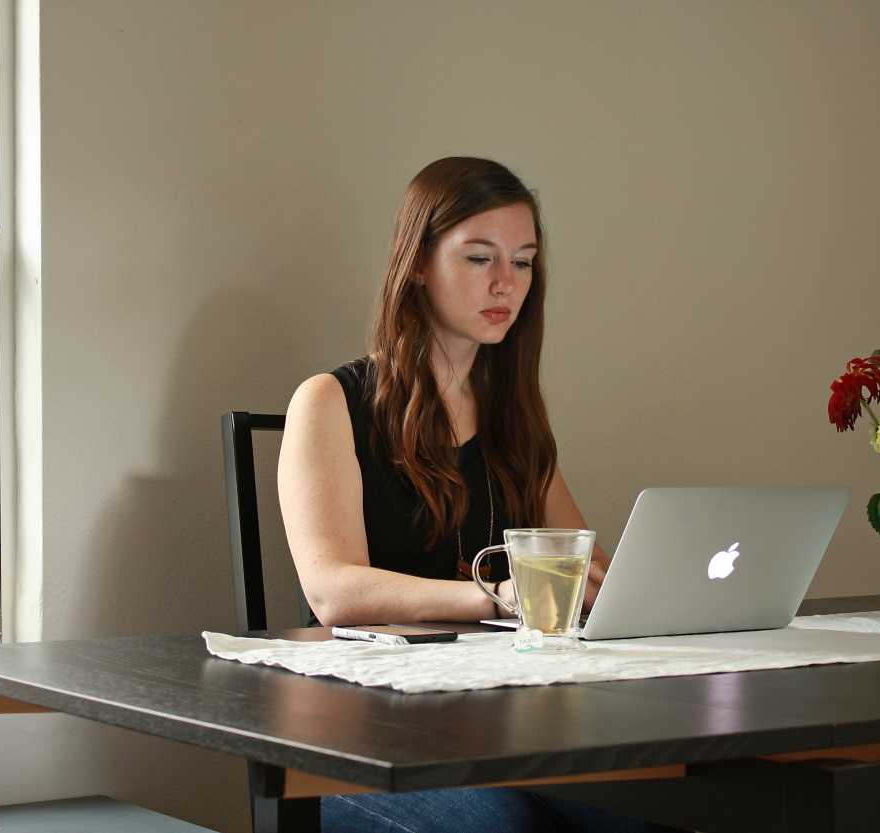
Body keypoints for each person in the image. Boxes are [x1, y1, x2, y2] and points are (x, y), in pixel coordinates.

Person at [277, 157, 679, 833]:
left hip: (500, 727)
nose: (506, 283)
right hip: (361, 742)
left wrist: (647, 591)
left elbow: (582, 565)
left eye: (523, 262)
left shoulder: (513, 417)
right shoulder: (330, 401)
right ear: (418, 265)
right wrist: (499, 595)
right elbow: (332, 591)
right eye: (479, 257)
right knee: (500, 827)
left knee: (654, 813)